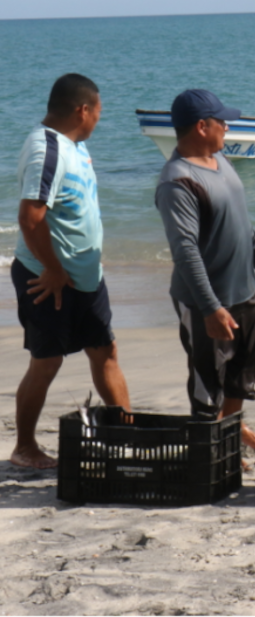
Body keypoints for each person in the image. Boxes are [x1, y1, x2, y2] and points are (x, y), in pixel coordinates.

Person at [9, 73, 131, 469]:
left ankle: (128, 435)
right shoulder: (46, 149)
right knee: (47, 361)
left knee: (106, 352)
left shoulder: (74, 145)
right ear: (83, 109)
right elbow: (30, 218)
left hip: (85, 276)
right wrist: (54, 269)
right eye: (98, 112)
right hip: (48, 276)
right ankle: (24, 448)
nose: (99, 120)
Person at [155, 89, 255, 454]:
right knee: (208, 383)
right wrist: (209, 309)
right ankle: (213, 448)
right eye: (220, 121)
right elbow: (186, 252)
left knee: (242, 373)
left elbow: (237, 218)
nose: (227, 125)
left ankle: (231, 429)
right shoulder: (177, 182)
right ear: (201, 126)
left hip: (246, 290)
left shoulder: (219, 158)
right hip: (206, 303)